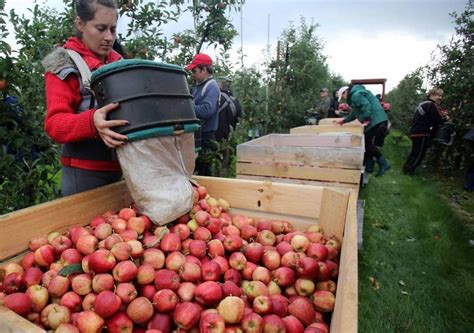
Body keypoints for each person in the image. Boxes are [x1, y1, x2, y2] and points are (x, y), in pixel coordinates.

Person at [42, 0, 128, 196]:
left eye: (113, 30)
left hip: (123, 166)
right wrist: (91, 121)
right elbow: (54, 124)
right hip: (84, 173)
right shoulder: (63, 65)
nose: (109, 37)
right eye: (100, 28)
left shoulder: (120, 64)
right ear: (80, 24)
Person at [335, 85, 391, 176]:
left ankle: (384, 164)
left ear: (346, 92)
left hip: (377, 120)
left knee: (368, 143)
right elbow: (354, 114)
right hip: (374, 121)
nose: (344, 99)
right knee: (366, 142)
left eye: (343, 96)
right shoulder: (354, 98)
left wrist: (366, 119)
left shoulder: (356, 95)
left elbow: (367, 105)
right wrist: (343, 121)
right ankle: (369, 167)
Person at [185, 53, 220, 176]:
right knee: (197, 171)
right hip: (198, 135)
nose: (192, 74)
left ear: (203, 69)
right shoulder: (198, 87)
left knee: (204, 172)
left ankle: (207, 194)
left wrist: (186, 108)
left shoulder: (211, 87)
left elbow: (207, 110)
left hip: (206, 136)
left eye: (194, 70)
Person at [402, 88, 448, 175]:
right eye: (438, 95)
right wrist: (446, 118)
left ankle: (406, 169)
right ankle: (409, 171)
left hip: (416, 131)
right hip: (422, 132)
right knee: (419, 153)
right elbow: (439, 119)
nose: (440, 98)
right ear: (431, 95)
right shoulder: (431, 105)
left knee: (415, 152)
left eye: (441, 96)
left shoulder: (424, 104)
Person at [215, 77, 243, 142]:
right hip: (230, 135)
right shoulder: (235, 100)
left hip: (216, 135)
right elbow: (239, 117)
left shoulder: (217, 98)